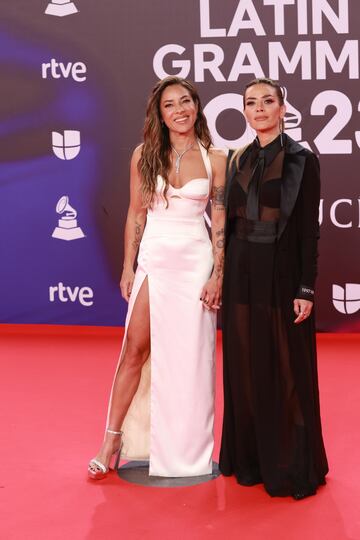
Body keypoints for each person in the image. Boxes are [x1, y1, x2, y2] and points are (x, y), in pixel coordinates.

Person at [88, 76, 226, 479]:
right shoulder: (143, 155)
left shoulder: (216, 158)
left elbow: (219, 220)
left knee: (191, 359)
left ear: (196, 106)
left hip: (195, 260)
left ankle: (184, 449)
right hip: (155, 257)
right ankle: (111, 440)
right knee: (135, 349)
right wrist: (128, 265)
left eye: (186, 101)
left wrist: (218, 272)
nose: (180, 109)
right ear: (160, 115)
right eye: (170, 105)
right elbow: (135, 213)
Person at [219, 77, 328, 499]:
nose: (259, 108)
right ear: (244, 112)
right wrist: (220, 274)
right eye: (251, 102)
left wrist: (306, 287)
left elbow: (307, 232)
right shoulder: (238, 157)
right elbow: (226, 225)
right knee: (244, 359)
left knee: (284, 364)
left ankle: (289, 461)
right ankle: (249, 457)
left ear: (283, 109)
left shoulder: (303, 159)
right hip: (241, 268)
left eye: (268, 101)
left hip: (281, 271)